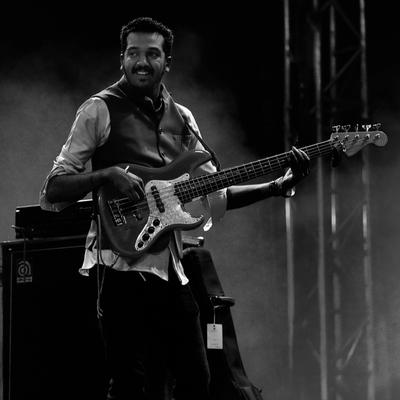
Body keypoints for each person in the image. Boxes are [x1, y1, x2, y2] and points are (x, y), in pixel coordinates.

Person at [40, 16, 310, 400]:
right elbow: (53, 190)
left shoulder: (183, 119)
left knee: (196, 381)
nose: (141, 62)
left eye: (152, 54)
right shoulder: (98, 110)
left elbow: (215, 193)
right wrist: (106, 175)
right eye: (133, 53)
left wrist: (276, 186)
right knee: (129, 386)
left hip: (170, 269)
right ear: (122, 59)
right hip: (118, 267)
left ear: (167, 62)